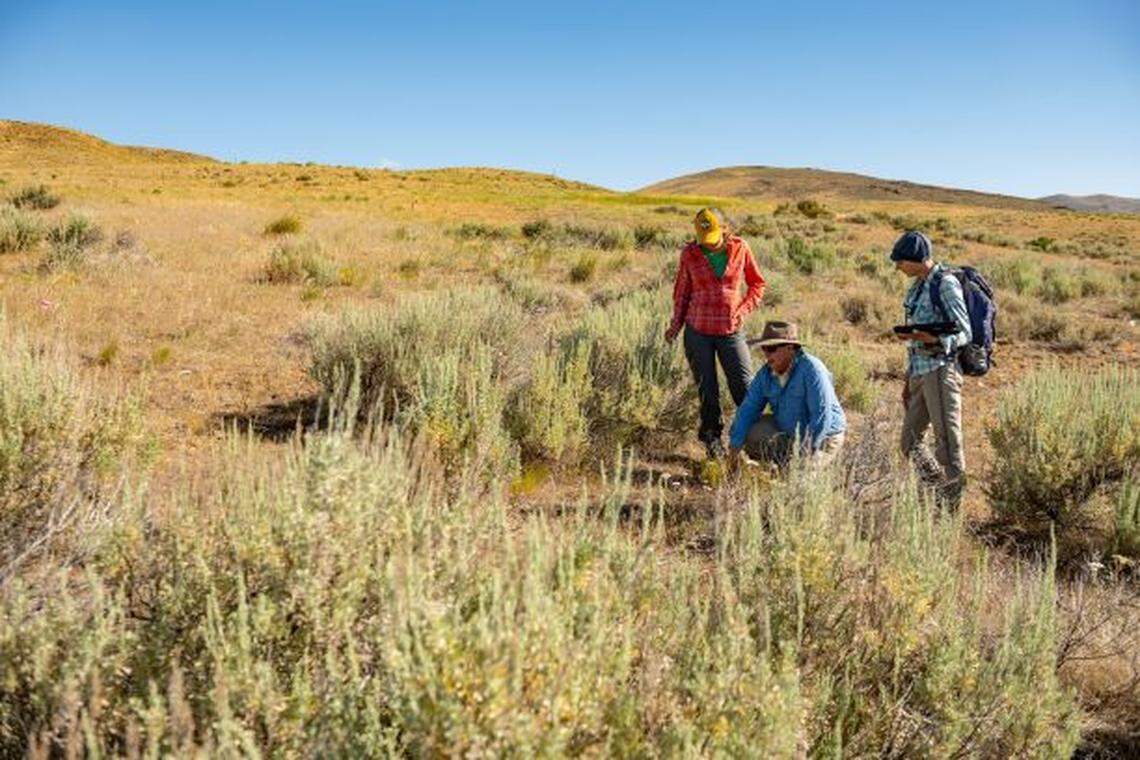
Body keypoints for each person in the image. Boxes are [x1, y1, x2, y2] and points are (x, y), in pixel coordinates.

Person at [665, 208, 766, 459]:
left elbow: (757, 284)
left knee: (744, 387)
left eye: (712, 236)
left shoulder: (741, 248)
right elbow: (682, 293)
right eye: (702, 237)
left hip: (731, 331)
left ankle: (755, 442)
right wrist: (675, 326)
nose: (707, 244)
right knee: (707, 390)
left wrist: (743, 309)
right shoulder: (689, 253)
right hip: (697, 331)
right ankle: (712, 442)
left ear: (724, 228)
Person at [891, 230, 972, 507]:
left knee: (947, 442)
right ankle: (938, 488)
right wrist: (907, 379)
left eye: (900, 261)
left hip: (941, 370)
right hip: (919, 370)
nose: (897, 267)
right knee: (909, 442)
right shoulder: (917, 286)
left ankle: (952, 505)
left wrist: (935, 338)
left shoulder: (945, 284)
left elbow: (965, 332)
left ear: (915, 258)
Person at [726, 320, 846, 471]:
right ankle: (780, 464)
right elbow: (748, 409)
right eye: (764, 348)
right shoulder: (765, 374)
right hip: (789, 433)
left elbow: (821, 417)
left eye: (771, 348)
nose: (766, 354)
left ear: (790, 348)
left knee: (799, 480)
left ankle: (793, 468)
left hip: (823, 438)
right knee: (751, 431)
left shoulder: (812, 370)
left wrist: (803, 455)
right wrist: (734, 449)